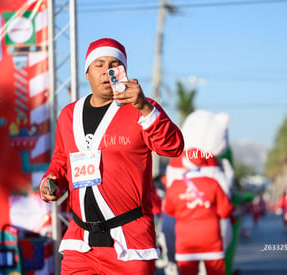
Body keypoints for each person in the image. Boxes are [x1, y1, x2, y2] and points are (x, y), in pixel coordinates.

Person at [39, 38, 184, 275]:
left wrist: (146, 108)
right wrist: (51, 180)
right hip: (81, 241)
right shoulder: (69, 114)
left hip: (129, 242)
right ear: (87, 72)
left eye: (114, 64)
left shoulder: (141, 108)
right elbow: (62, 161)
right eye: (99, 64)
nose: (107, 71)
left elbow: (173, 147)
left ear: (123, 71)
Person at [163, 110, 234, 275]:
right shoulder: (213, 182)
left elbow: (169, 211)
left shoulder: (176, 185)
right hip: (212, 241)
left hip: (185, 243)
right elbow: (225, 210)